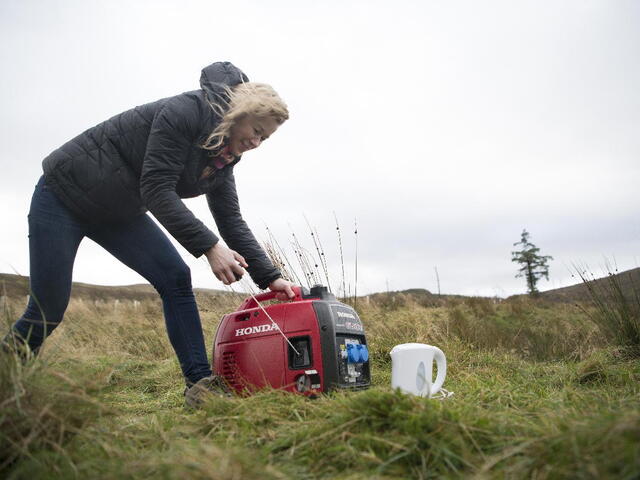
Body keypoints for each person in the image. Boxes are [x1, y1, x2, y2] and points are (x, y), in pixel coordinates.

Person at [2, 61, 295, 405]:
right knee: (47, 309)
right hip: (62, 195)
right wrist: (210, 248)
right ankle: (7, 377)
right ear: (239, 112)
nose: (258, 141)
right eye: (257, 129)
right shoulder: (185, 112)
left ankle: (200, 386)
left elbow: (230, 219)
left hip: (116, 212)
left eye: (266, 137)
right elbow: (157, 188)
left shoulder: (223, 157)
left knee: (174, 277)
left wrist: (271, 277)